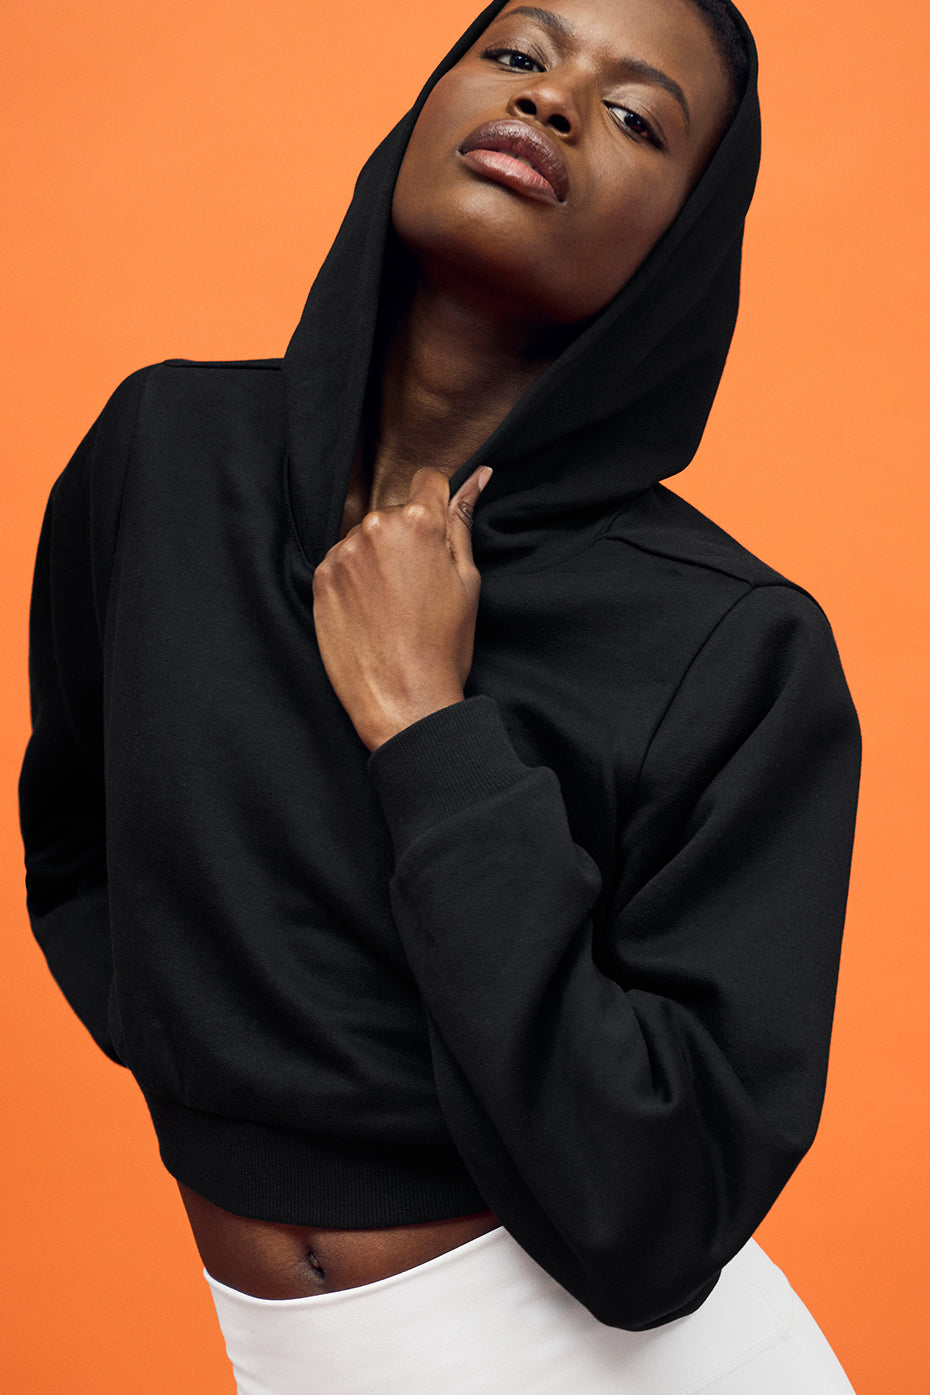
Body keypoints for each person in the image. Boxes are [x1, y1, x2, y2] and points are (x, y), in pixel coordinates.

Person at [20, 0, 861, 1390]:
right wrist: (226, 1066)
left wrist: (428, 731)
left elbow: (661, 1216)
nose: (550, 101)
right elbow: (77, 842)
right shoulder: (161, 458)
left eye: (635, 116)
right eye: (518, 55)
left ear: (681, 243)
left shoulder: (731, 642)